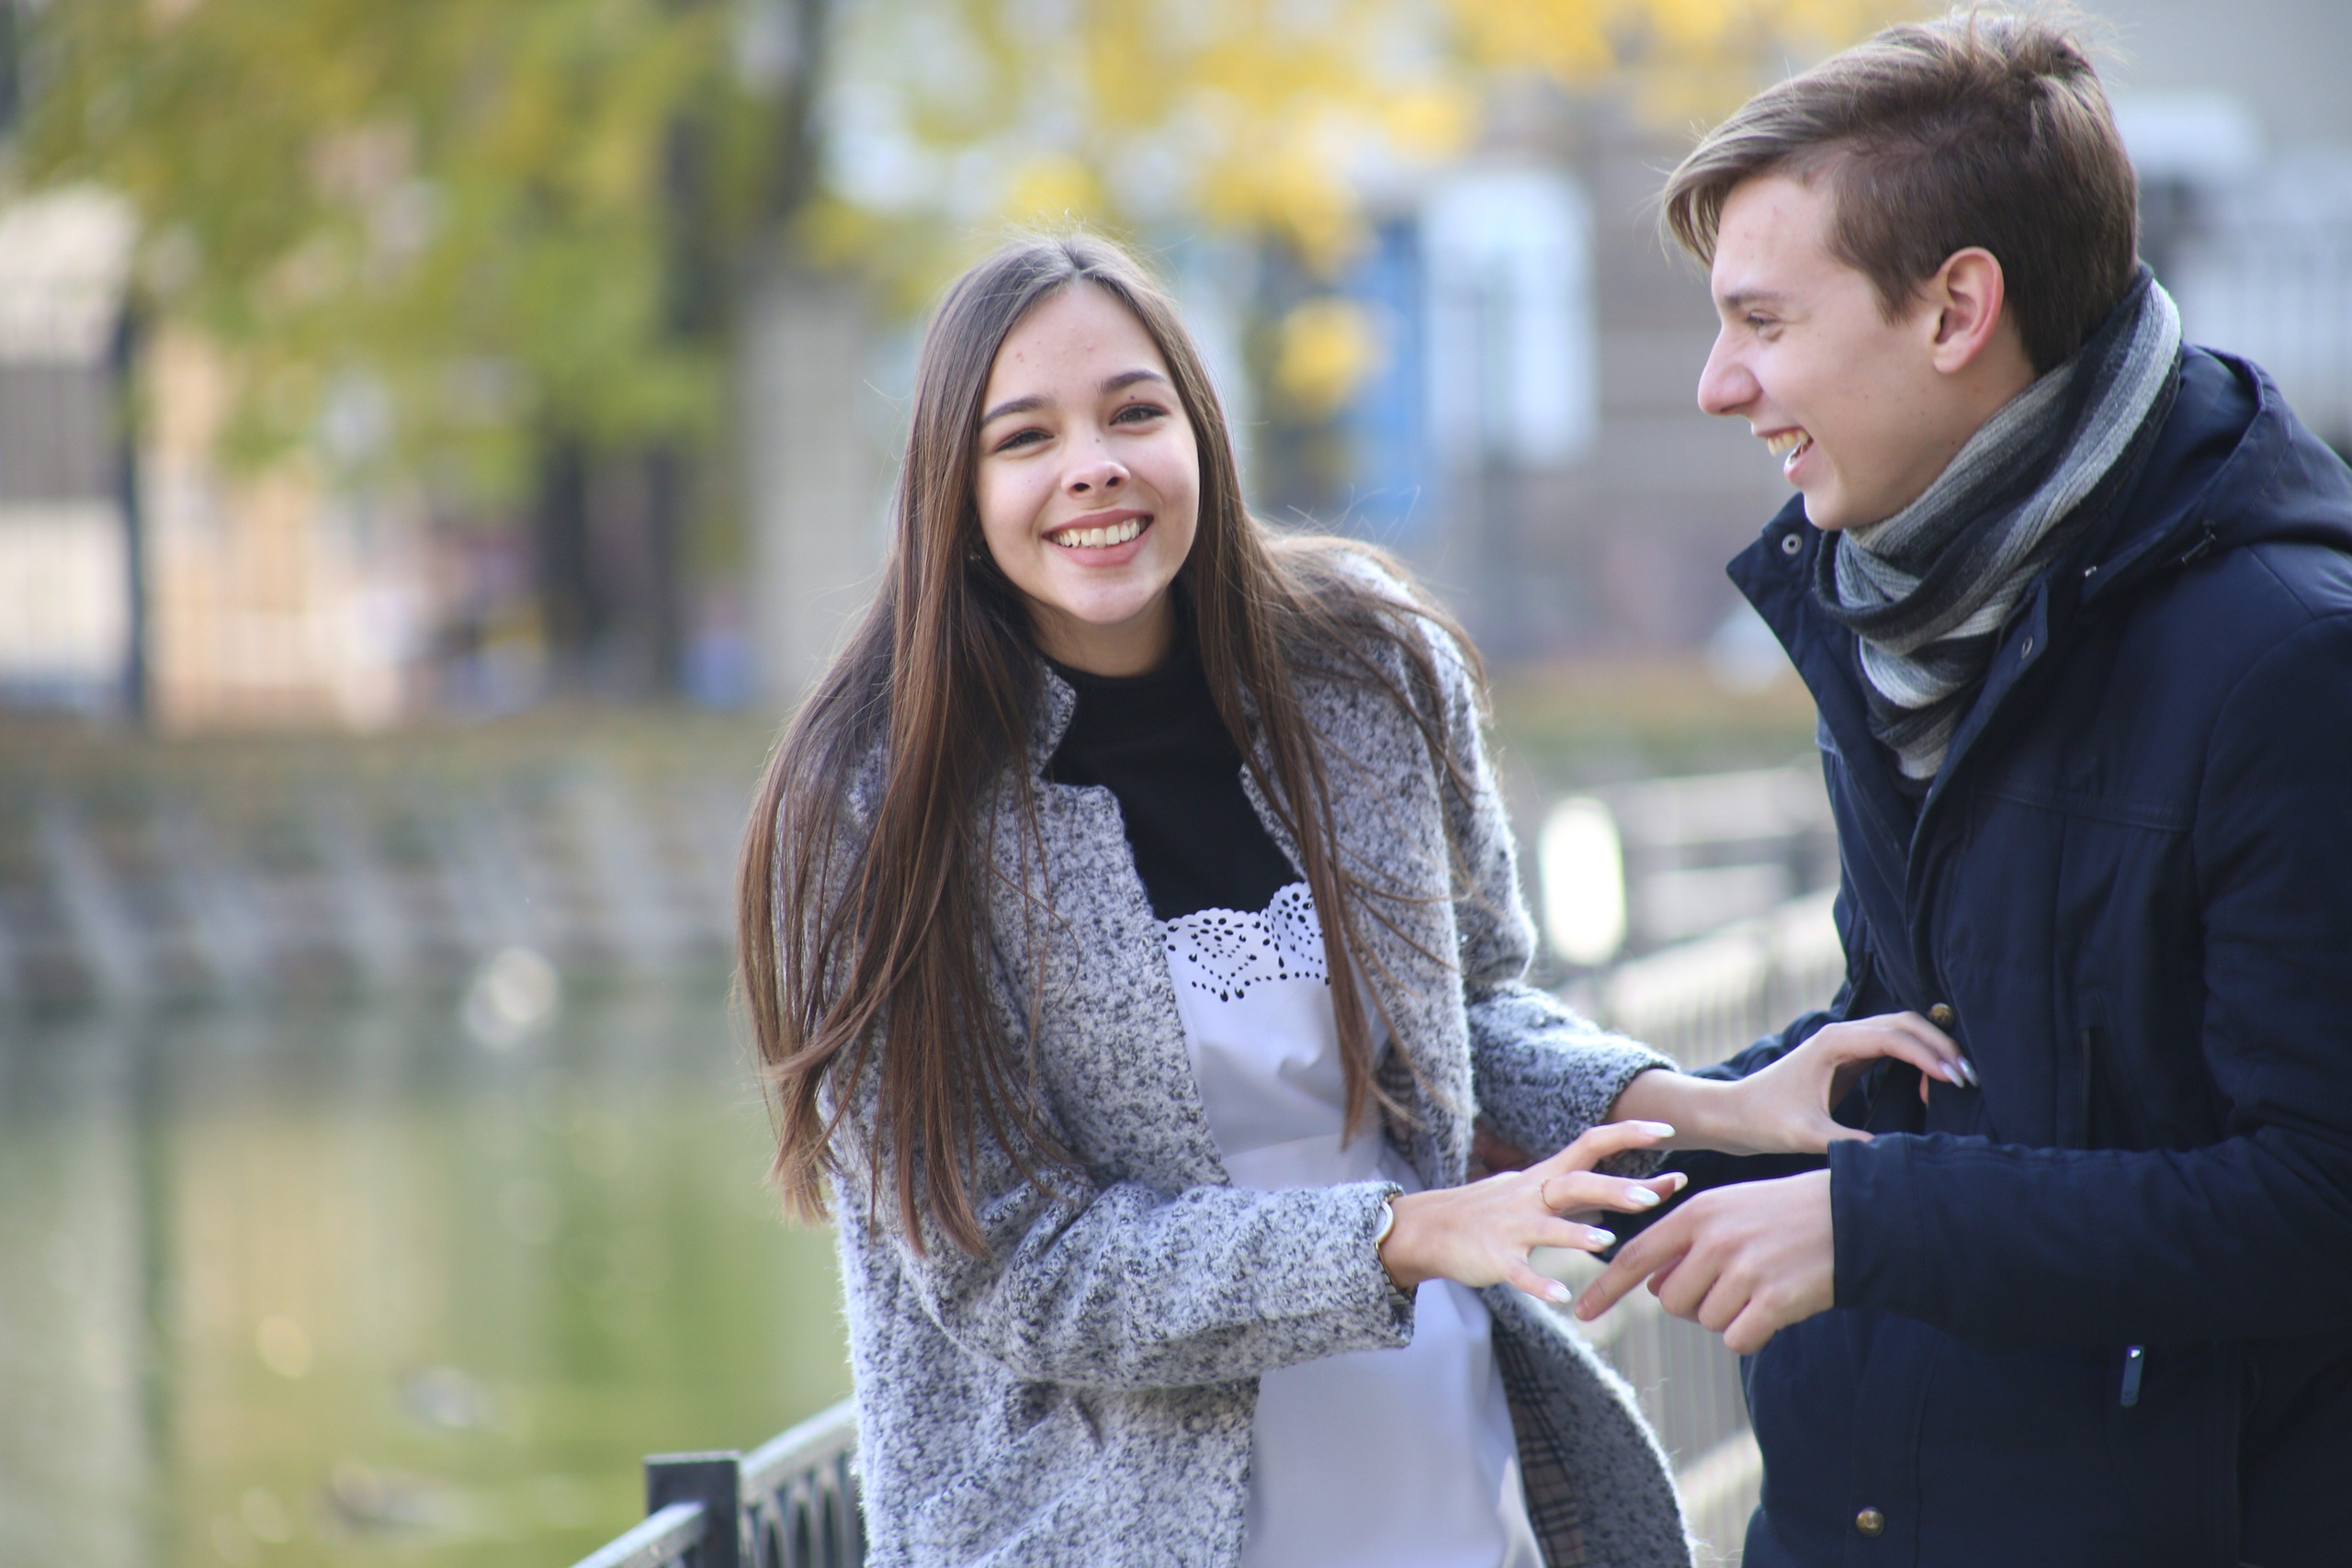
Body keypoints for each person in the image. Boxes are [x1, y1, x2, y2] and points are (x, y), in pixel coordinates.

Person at [735, 232, 1962, 1567]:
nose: (1093, 462)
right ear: (953, 490)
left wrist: (1694, 1103)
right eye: (1024, 437)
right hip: (1092, 1525)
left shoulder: (1371, 672)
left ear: (1201, 433)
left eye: (1135, 412)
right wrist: (1403, 1232)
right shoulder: (872, 806)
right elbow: (1025, 1268)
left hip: (1443, 1472)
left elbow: (1473, 1010)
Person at [1572, 13, 2352, 1568]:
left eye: (1764, 322)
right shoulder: (1902, 601)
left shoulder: (2291, 666)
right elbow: (1935, 1045)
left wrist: (1868, 1231)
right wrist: (1616, 1152)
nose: (1724, 384)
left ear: (1955, 311)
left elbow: (2316, 1201)